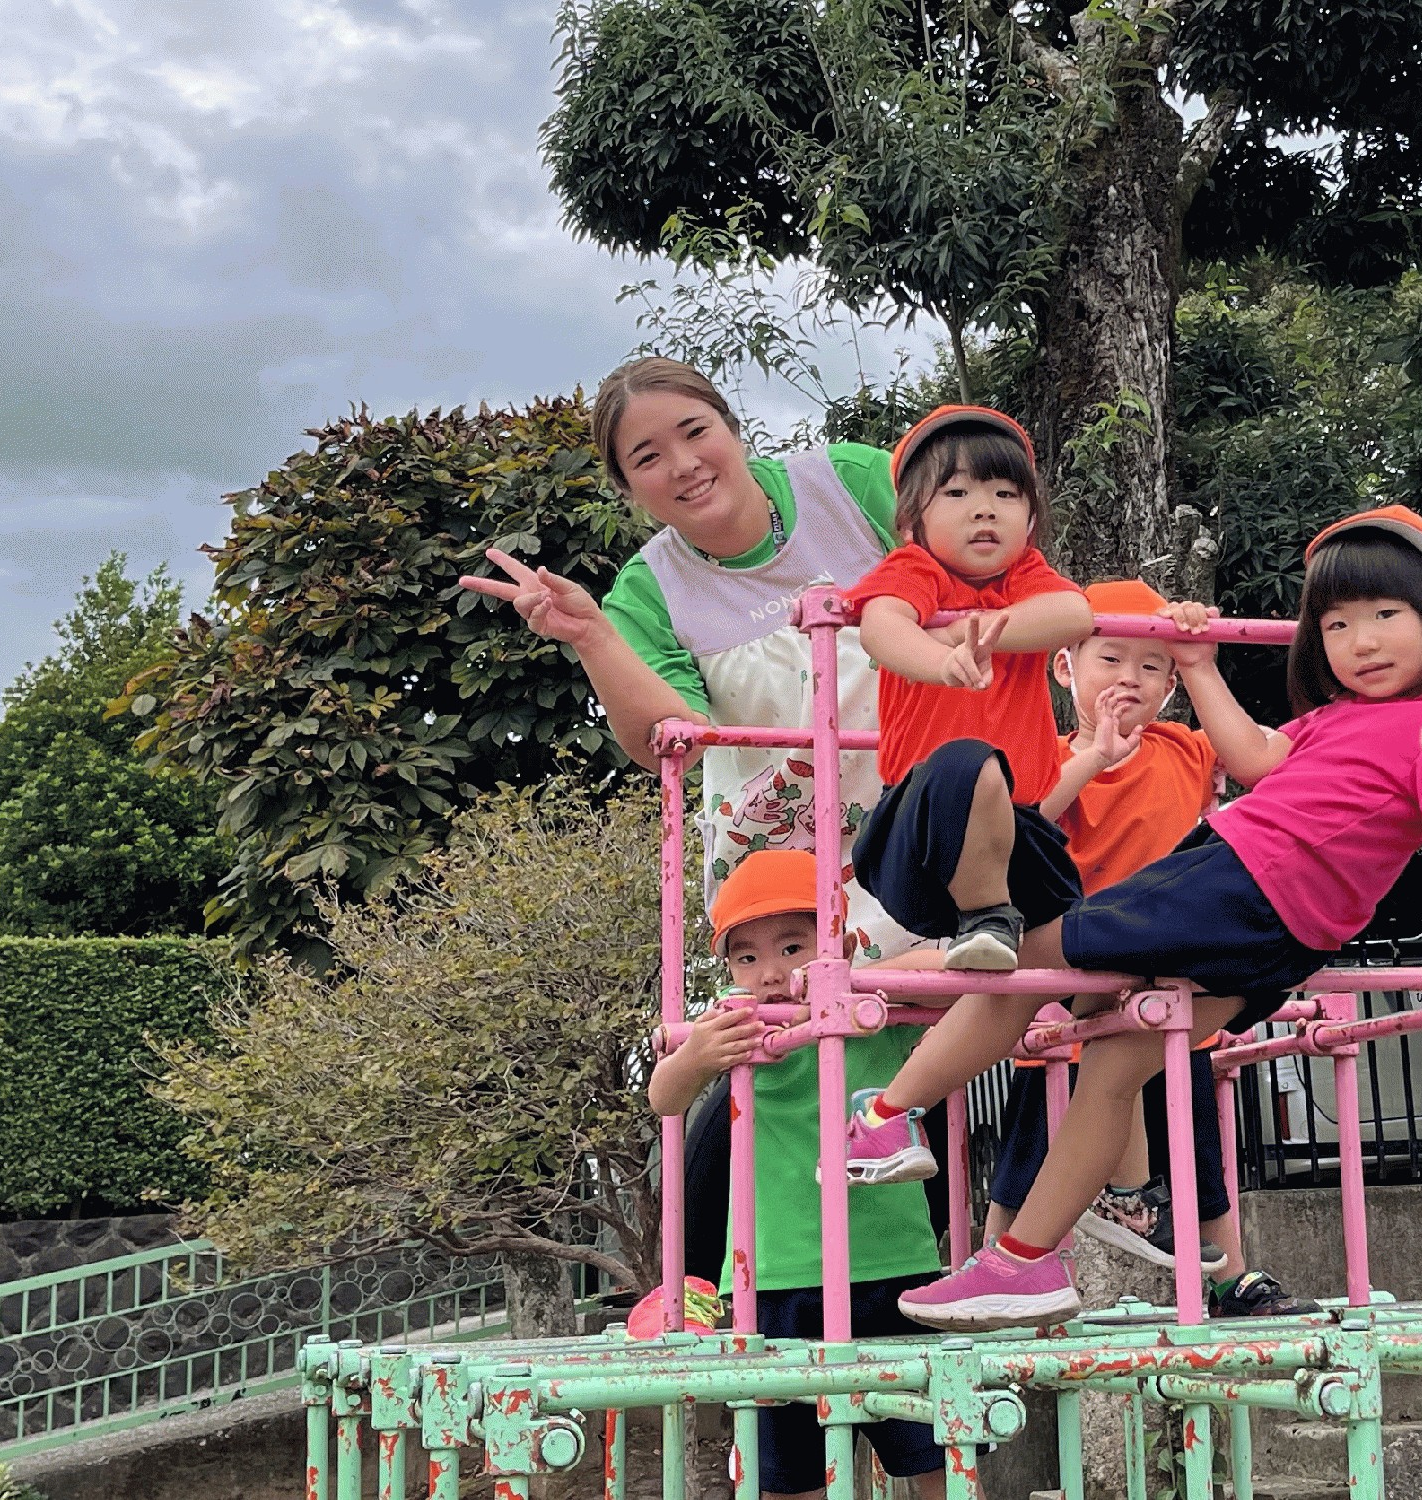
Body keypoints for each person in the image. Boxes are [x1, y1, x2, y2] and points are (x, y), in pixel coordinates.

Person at [853, 505, 1422, 1330]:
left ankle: (883, 1117)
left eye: (1387, 615)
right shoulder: (1331, 719)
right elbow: (1255, 760)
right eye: (1337, 624)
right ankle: (1023, 1262)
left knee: (1028, 955)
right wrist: (1198, 665)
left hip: (1241, 886)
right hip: (1272, 923)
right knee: (1116, 1063)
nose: (1363, 642)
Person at [457, 355, 911, 957]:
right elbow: (675, 745)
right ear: (627, 488)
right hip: (787, 874)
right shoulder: (647, 592)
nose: (684, 465)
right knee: (826, 1013)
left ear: (732, 426)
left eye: (696, 431)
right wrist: (592, 637)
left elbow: (978, 583)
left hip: (931, 810)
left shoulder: (851, 482)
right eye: (648, 458)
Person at [984, 578, 1311, 1318]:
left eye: (1151, 664)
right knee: (1031, 1145)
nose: (1129, 677)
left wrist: (1201, 657)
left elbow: (1261, 755)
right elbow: (1024, 830)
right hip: (1076, 977)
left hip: (1168, 979)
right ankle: (990, 1264)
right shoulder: (1047, 757)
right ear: (1065, 667)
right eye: (1110, 658)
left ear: (1170, 685)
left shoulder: (1188, 750)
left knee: (1194, 1147)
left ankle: (1229, 1276)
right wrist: (1091, 759)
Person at [827, 405, 1093, 1185]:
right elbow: (883, 628)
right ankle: (984, 917)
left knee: (1036, 979)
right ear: (913, 517)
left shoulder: (1024, 580)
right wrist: (938, 658)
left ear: (1031, 518)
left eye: (1006, 495)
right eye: (959, 493)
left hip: (1017, 841)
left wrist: (980, 629)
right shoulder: (915, 570)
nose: (985, 510)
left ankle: (885, 1114)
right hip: (918, 833)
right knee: (971, 762)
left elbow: (1073, 613)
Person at [647, 849, 948, 1500]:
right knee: (787, 1476)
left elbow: (948, 971)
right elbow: (664, 1097)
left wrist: (852, 983)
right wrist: (698, 1056)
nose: (771, 973)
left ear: (838, 943)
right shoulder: (736, 1029)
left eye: (793, 947)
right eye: (746, 957)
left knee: (938, 1458)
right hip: (774, 1280)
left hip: (893, 1264)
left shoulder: (869, 1010)